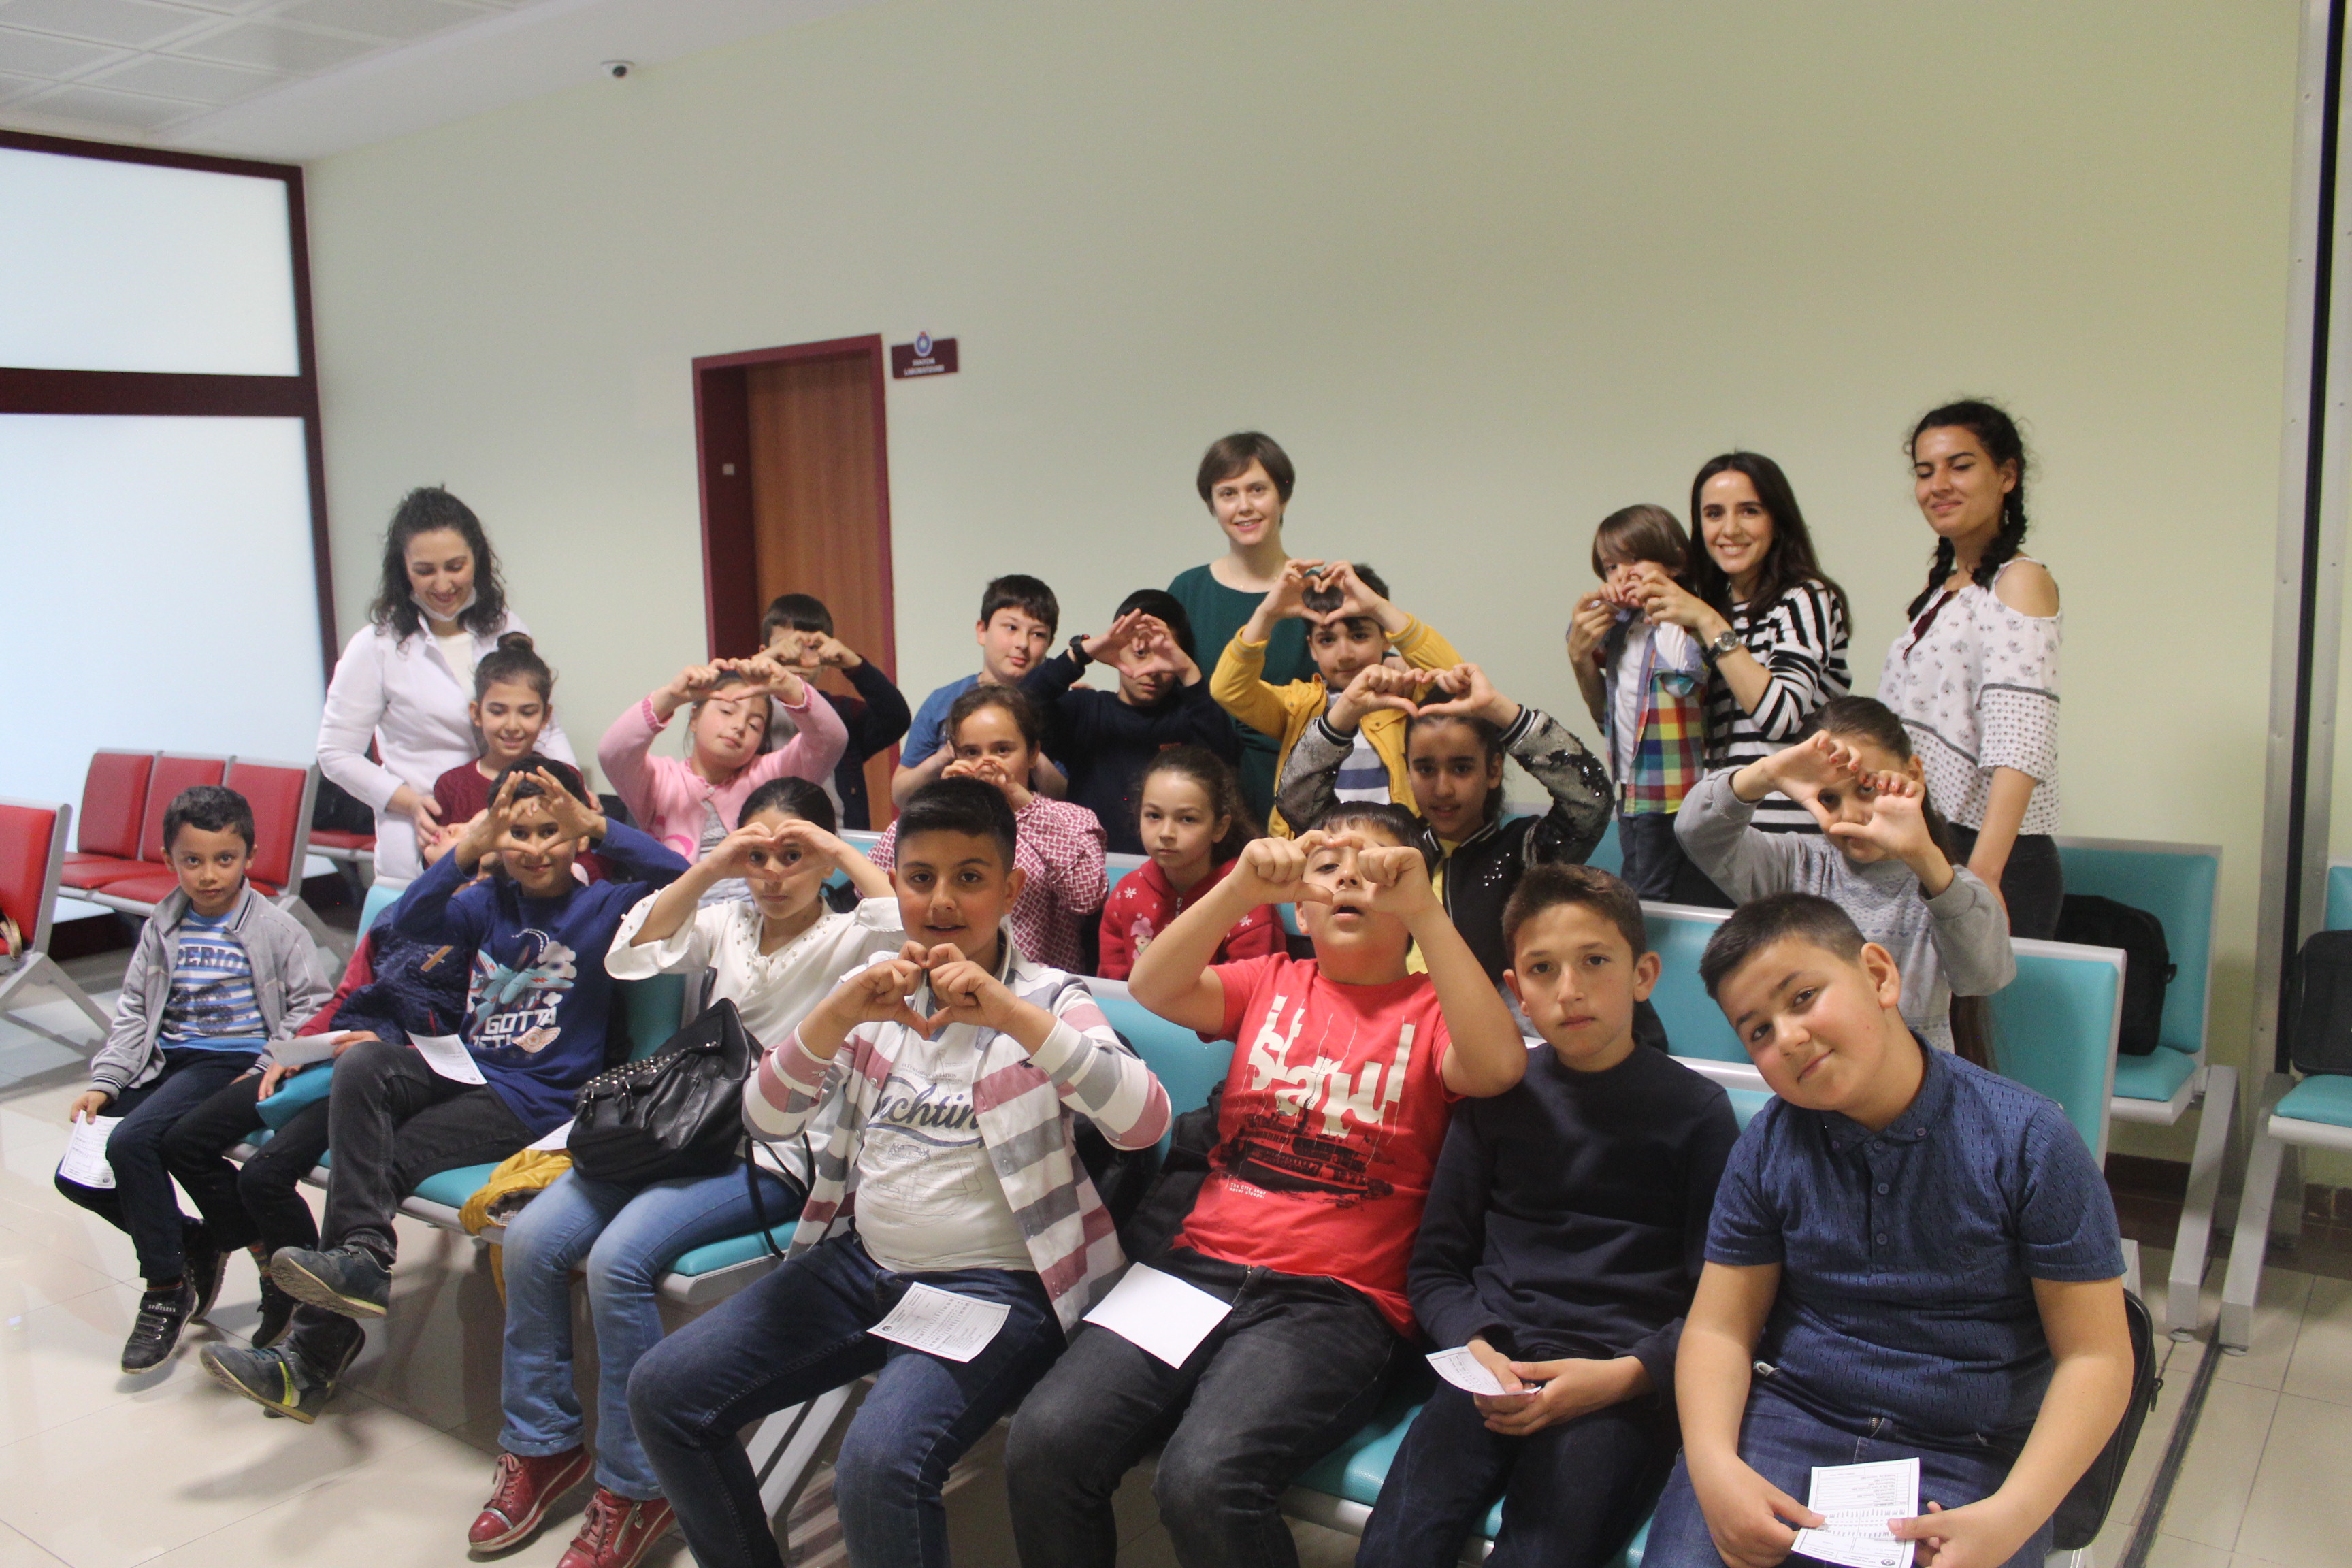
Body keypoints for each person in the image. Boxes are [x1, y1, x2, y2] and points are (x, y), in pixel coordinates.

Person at [627, 777, 1171, 1568]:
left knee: (877, 1465)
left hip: (995, 1286)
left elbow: (1143, 1120)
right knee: (664, 1391)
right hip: (863, 1264)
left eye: (969, 877)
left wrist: (1012, 1016)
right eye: (920, 878)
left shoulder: (1050, 998)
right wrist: (835, 1015)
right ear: (895, 886)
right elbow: (765, 1119)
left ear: (1010, 890)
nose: (942, 900)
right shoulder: (874, 996)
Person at [1004, 805, 1530, 1568]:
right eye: (1328, 868)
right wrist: (1242, 888)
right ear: (1301, 910)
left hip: (1336, 1300)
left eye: (1375, 869)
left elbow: (1500, 1067)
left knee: (1205, 1480)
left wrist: (1426, 911)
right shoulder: (1272, 980)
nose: (1348, 879)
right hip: (1197, 1270)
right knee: (1045, 1441)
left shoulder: (1433, 1009)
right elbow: (1152, 985)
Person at [468, 777, 901, 1568]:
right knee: (531, 1239)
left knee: (618, 1260)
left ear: (825, 861)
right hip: (678, 1131)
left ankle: (638, 1485)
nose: (774, 874)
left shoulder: (851, 936)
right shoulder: (729, 920)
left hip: (772, 1152)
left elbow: (907, 925)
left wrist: (838, 849)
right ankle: (542, 1442)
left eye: (794, 856)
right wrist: (713, 866)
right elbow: (634, 947)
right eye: (760, 855)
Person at [1642, 893, 2133, 1568]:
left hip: (1969, 1446)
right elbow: (1719, 1329)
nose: (1787, 1038)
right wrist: (1713, 1466)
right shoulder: (1767, 1147)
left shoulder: (2030, 1141)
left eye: (1803, 998)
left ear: (1878, 976)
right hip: (1791, 1417)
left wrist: (2012, 1517)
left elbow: (2097, 1358)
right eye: (1758, 1032)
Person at [200, 760, 687, 1422]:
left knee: (383, 1156)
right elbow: (411, 918)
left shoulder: (604, 906)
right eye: (518, 833)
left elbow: (680, 877)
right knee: (364, 1065)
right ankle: (364, 1254)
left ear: (577, 835)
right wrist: (471, 846)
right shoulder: (487, 902)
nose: (535, 848)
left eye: (552, 831)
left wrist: (598, 825)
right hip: (465, 1070)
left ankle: (311, 1357)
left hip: (535, 1101)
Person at [1358, 865, 1738, 1568]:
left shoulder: (1699, 1114)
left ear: (1643, 975)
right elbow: (1437, 1268)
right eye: (1543, 969)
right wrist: (1473, 1344)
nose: (1570, 990)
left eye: (1595, 961)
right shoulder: (1497, 1096)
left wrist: (1627, 1376)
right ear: (1517, 992)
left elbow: (1719, 1305)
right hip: (1492, 1369)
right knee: (1395, 1549)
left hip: (1616, 1383)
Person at [57, 785, 332, 1374]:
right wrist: (108, 1080)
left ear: (250, 856)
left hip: (229, 1062)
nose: (209, 875)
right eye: (193, 860)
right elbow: (135, 1013)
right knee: (76, 1173)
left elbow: (312, 1005)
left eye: (224, 859)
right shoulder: (163, 926)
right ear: (169, 859)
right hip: (166, 1060)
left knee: (133, 1143)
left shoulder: (276, 928)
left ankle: (165, 1288)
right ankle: (194, 1239)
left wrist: (267, 1064)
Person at [160, 887, 472, 1356]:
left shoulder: (484, 925)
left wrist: (394, 1051)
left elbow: (472, 1040)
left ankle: (304, 1302)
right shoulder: (394, 917)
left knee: (263, 1176)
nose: (444, 848)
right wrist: (296, 1049)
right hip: (331, 1052)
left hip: (392, 1075)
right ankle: (263, 1258)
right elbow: (346, 996)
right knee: (183, 1141)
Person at [1676, 697, 2015, 1057]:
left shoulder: (1949, 886)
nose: (1848, 815)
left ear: (1913, 773)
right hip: (1819, 1077)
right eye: (1828, 799)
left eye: (1866, 789)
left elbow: (1986, 976)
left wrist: (1924, 858)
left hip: (1918, 1084)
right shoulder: (1796, 866)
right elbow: (1696, 832)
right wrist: (1767, 774)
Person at [1274, 662, 1609, 987]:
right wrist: (1347, 710)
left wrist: (1501, 710)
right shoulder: (1390, 844)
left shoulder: (1523, 853)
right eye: (1426, 769)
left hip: (1483, 1018)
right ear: (1408, 770)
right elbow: (1297, 800)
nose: (1443, 788)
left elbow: (1590, 801)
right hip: (1385, 1011)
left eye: (1461, 769)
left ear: (1493, 770)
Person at [317, 486, 579, 883]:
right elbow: (335, 753)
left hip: (514, 841)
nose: (442, 585)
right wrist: (409, 802)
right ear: (402, 570)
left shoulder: (507, 628)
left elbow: (546, 727)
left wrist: (572, 790)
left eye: (455, 566)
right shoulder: (376, 647)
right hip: (428, 834)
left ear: (478, 560)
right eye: (425, 571)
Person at [1878, 399, 2067, 938]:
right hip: (1935, 846)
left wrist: (1984, 873)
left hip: (1989, 858)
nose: (1938, 485)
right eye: (1925, 472)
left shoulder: (2019, 581)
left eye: (1960, 466)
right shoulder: (1945, 591)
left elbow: (2021, 740)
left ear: (2006, 476)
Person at [1621, 453, 1849, 840]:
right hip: (1721, 833)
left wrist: (1709, 622)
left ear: (1777, 520)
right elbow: (1651, 722)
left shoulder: (1805, 598)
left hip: (1795, 835)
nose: (1730, 529)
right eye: (1714, 514)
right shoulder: (1707, 610)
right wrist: (1583, 659)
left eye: (1749, 511)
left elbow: (1781, 717)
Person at [1210, 559, 1460, 836]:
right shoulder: (1299, 705)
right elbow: (1228, 689)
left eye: (1359, 636)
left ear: (1385, 638)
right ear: (1312, 649)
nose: (1345, 655)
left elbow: (1456, 679)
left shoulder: (1407, 694)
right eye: (1327, 640)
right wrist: (1266, 614)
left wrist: (1379, 608)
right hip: (1312, 851)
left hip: (1393, 848)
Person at [868, 685, 1106, 971]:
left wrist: (1022, 803)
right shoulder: (939, 818)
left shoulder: (1072, 818)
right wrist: (938, 802)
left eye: (1002, 750)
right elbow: (870, 886)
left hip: (1034, 985)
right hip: (935, 974)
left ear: (1033, 753)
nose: (986, 763)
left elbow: (1088, 897)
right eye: (971, 752)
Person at [1166, 432, 1320, 821]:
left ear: (1283, 496)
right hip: (1203, 798)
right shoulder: (1187, 590)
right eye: (1228, 494)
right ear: (1212, 505)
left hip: (1300, 789)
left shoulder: (1316, 589)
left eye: (1257, 490)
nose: (1244, 506)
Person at [1567, 504, 1715, 902]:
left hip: (1670, 786)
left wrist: (1666, 613)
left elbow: (1683, 682)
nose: (1623, 574)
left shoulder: (1688, 623)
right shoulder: (1623, 627)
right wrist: (1602, 605)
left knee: (1649, 890)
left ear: (1675, 562)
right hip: (1630, 780)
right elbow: (1581, 642)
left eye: (1635, 560)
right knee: (1634, 876)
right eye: (1611, 567)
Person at [1020, 589, 1239, 853]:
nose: (1151, 670)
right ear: (1118, 649)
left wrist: (1189, 671)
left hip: (1173, 866)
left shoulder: (1192, 715)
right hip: (1090, 865)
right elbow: (1018, 706)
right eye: (1141, 653)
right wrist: (1082, 652)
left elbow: (1226, 757)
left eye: (1165, 655)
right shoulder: (1085, 709)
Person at [598, 653, 847, 866]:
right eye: (727, 711)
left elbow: (831, 740)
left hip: (760, 905)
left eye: (754, 725)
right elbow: (613, 752)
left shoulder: (770, 775)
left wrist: (790, 688)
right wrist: (671, 696)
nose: (739, 726)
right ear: (694, 718)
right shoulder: (659, 780)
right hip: (678, 905)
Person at [1097, 745, 1284, 980]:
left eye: (1187, 819)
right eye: (1154, 816)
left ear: (1220, 827)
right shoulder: (1127, 894)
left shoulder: (1245, 897)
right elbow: (1113, 984)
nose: (1166, 833)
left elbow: (1251, 988)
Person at [890, 574, 1066, 807]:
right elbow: (901, 795)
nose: (1022, 644)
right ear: (982, 631)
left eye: (1038, 634)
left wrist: (1027, 750)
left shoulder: (1061, 707)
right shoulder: (942, 701)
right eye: (1011, 628)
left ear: (1050, 643)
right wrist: (948, 755)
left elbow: (1067, 795)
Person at [759, 592, 912, 831]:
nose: (796, 657)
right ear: (764, 652)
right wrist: (760, 665)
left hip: (838, 835)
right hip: (766, 832)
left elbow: (896, 718)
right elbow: (721, 699)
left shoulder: (841, 712)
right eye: (783, 647)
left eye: (810, 648)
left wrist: (855, 665)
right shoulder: (749, 710)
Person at [427, 631, 559, 846]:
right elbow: (436, 858)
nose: (512, 726)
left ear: (546, 716)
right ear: (477, 713)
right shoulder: (452, 786)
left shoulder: (560, 780)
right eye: (498, 712)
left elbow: (589, 854)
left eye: (527, 713)